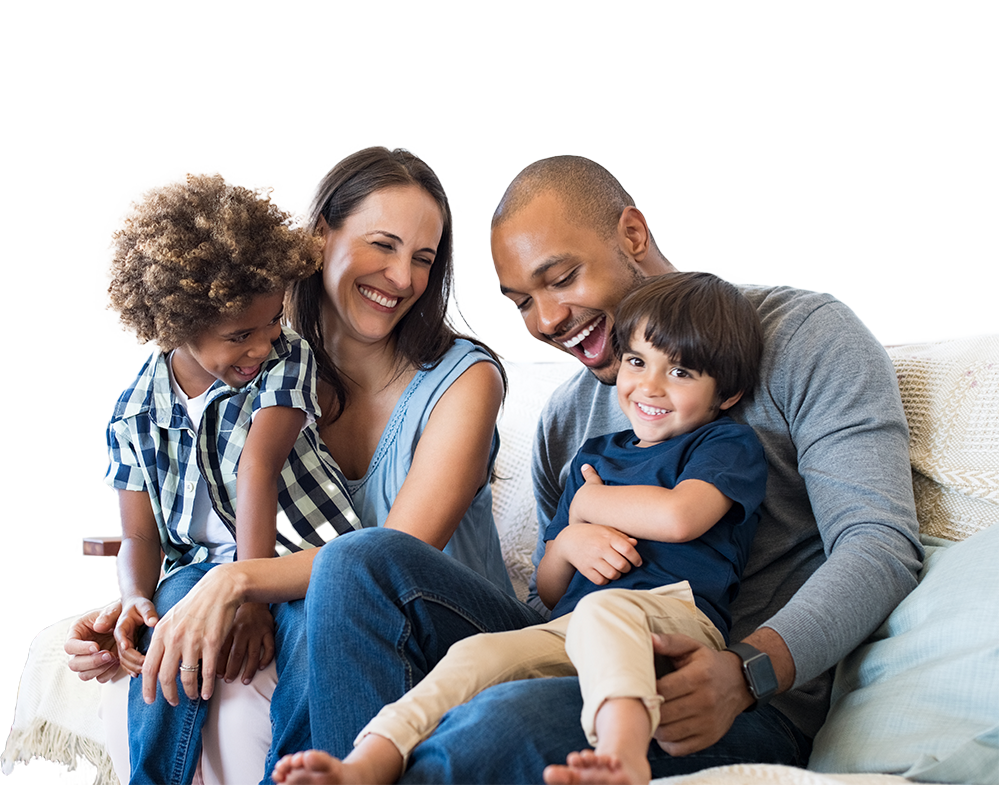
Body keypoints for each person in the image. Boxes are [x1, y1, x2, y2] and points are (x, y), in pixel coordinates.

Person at [273, 154, 923, 785]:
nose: (548, 320)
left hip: (722, 689)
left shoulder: (805, 336)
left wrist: (747, 670)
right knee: (354, 560)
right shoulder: (567, 419)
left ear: (633, 235)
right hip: (575, 646)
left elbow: (879, 544)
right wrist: (566, 540)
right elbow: (553, 602)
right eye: (522, 301)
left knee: (493, 724)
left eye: (561, 278)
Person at [65, 147, 525, 785]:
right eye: (382, 246)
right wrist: (137, 608)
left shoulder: (463, 381)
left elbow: (391, 558)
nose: (402, 277)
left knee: (334, 589)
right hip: (321, 611)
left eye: (423, 258)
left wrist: (236, 582)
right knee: (187, 627)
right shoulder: (257, 369)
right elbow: (179, 517)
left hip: (439, 631)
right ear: (318, 239)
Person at [271, 271, 769, 785]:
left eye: (681, 373)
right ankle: (368, 761)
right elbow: (551, 590)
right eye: (637, 361)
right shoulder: (595, 456)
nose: (649, 386)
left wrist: (590, 504)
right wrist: (571, 538)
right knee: (476, 654)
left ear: (726, 393)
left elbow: (680, 516)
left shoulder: (723, 445)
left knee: (604, 609)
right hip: (569, 627)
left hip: (675, 621)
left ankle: (624, 756)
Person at [102, 169, 361, 785]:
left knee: (310, 639)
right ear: (174, 325)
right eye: (239, 335)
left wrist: (249, 592)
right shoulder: (134, 413)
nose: (261, 343)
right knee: (168, 626)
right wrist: (136, 598)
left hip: (305, 555)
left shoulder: (284, 358)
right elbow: (140, 537)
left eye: (271, 321)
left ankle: (296, 774)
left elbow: (258, 470)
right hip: (198, 568)